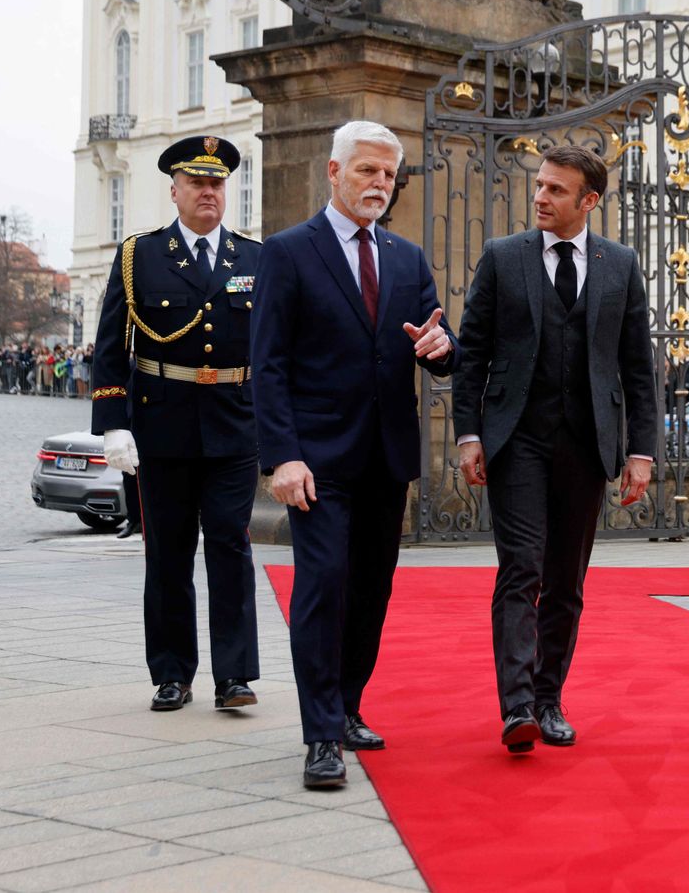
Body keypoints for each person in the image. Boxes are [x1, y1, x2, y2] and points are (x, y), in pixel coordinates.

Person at [250, 120, 457, 789]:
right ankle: (319, 734)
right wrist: (282, 455)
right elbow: (269, 364)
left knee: (370, 589)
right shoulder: (287, 253)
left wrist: (441, 349)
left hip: (386, 457)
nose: (379, 184)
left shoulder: (406, 257)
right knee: (322, 585)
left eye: (389, 174)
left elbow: (435, 336)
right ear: (334, 173)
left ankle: (346, 705)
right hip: (316, 460)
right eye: (367, 171)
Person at [452, 142, 658, 754]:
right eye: (539, 186)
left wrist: (641, 450)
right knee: (521, 569)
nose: (541, 197)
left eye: (556, 190)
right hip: (517, 441)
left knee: (566, 580)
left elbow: (638, 368)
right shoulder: (502, 257)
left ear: (589, 200)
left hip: (587, 444)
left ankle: (548, 699)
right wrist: (469, 435)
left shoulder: (619, 264)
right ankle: (515, 706)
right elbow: (472, 355)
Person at [92, 134, 263, 714]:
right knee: (167, 553)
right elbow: (112, 344)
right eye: (197, 182)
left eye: (217, 183)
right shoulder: (139, 255)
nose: (208, 192)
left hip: (235, 425)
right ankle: (172, 672)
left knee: (230, 547)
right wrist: (113, 423)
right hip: (161, 426)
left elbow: (273, 350)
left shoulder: (255, 259)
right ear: (175, 190)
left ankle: (235, 675)